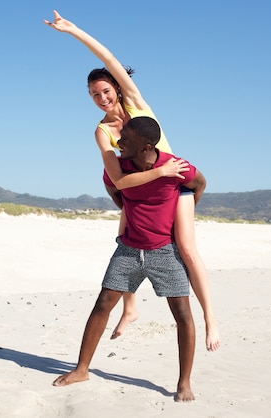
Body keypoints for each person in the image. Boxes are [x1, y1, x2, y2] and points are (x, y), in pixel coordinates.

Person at [44, 10, 220, 351]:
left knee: (185, 248)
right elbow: (118, 178)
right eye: (94, 94)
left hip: (173, 183)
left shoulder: (138, 104)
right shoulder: (102, 132)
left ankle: (211, 320)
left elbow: (109, 57)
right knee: (127, 241)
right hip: (138, 192)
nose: (102, 98)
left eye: (105, 90)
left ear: (115, 86)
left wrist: (74, 31)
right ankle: (130, 307)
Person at [52, 116, 202, 402]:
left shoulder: (176, 167)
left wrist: (186, 210)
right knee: (103, 304)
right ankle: (81, 369)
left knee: (183, 315)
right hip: (129, 249)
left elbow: (200, 184)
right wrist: (127, 207)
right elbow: (113, 186)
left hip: (165, 251)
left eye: (126, 140)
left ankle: (184, 383)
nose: (119, 144)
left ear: (146, 146)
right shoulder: (120, 169)